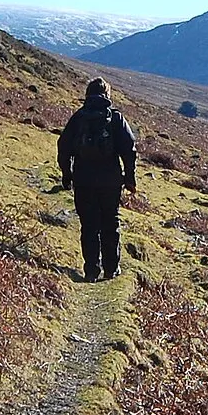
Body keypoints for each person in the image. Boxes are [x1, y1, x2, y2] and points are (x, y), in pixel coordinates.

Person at [57, 77, 137, 281]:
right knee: (110, 223)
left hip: (83, 180)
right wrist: (129, 178)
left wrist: (67, 175)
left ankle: (91, 270)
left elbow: (63, 146)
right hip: (110, 182)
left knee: (89, 225)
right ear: (108, 95)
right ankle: (111, 268)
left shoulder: (79, 118)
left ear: (87, 94)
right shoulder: (116, 118)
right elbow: (129, 149)